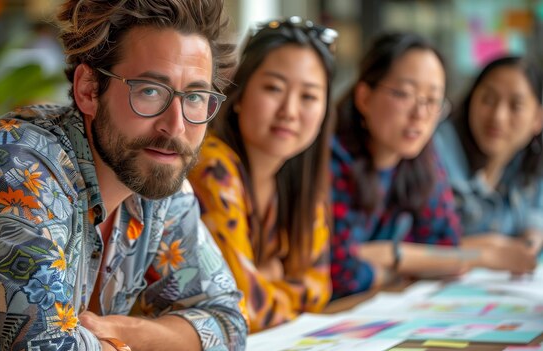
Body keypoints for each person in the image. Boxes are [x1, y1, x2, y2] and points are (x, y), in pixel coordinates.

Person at [0, 0, 247, 350]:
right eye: (150, 91)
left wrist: (120, 332)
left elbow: (228, 323)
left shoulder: (159, 181)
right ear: (89, 90)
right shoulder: (15, 170)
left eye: (195, 96)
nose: (176, 126)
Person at [329, 32, 536, 299]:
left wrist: (391, 256)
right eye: (404, 94)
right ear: (364, 98)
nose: (420, 114)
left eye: (432, 100)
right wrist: (410, 265)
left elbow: (446, 245)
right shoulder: (332, 160)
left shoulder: (421, 159)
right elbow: (340, 271)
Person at [188, 16, 337, 332]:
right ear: (239, 94)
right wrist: (274, 274)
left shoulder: (305, 178)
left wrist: (264, 281)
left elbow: (319, 288)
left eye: (308, 96)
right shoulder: (212, 168)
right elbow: (240, 307)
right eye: (273, 88)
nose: (290, 111)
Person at [434, 56, 543, 261]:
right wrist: (490, 249)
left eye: (516, 106)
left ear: (538, 118)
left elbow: (535, 218)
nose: (498, 116)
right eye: (488, 99)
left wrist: (532, 238)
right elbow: (419, 244)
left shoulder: (530, 161)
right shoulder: (437, 150)